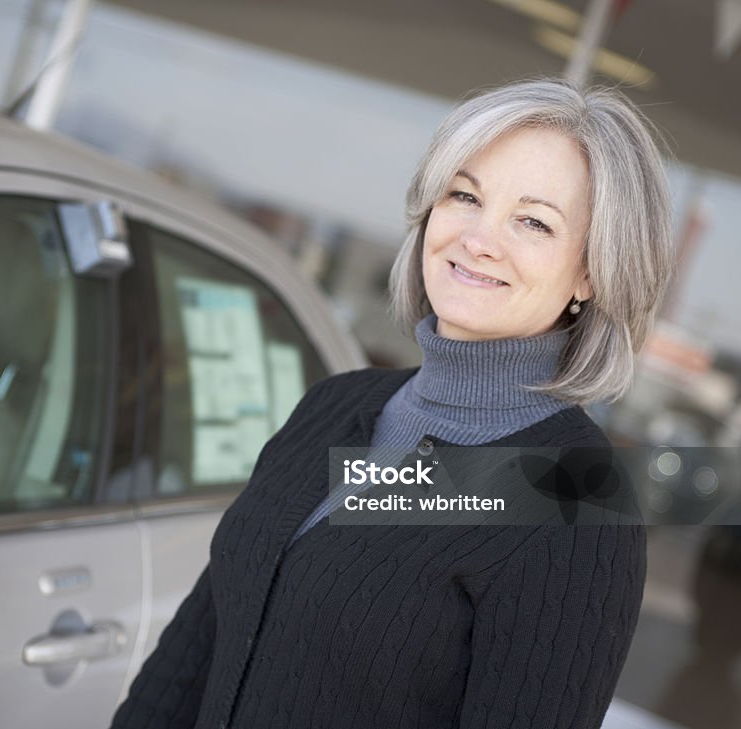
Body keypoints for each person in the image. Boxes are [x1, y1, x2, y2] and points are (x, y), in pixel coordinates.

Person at [110, 77, 673, 729]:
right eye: (465, 195)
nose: (479, 238)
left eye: (533, 221)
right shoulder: (334, 406)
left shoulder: (572, 496)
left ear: (590, 271)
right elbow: (194, 650)